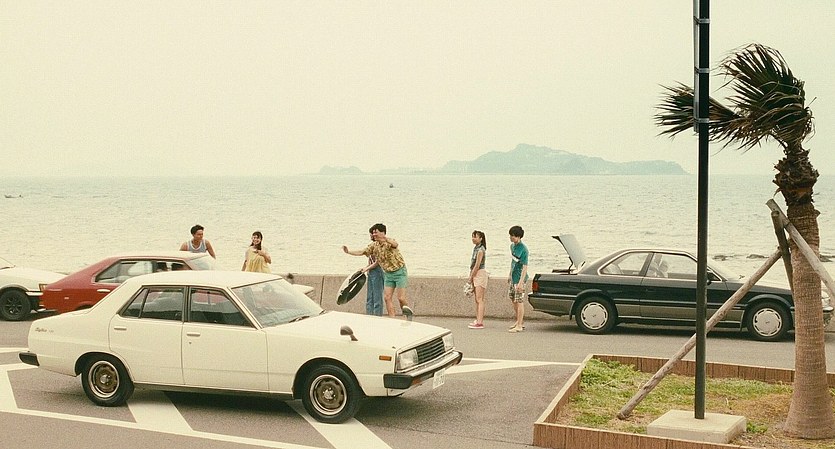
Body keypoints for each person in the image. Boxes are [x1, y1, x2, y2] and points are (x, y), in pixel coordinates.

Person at [343, 223, 413, 320]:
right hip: (388, 274)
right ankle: (392, 319)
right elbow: (362, 252)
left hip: (399, 272)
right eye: (373, 233)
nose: (374, 234)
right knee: (387, 298)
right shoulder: (374, 245)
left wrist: (385, 239)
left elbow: (395, 244)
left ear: (382, 232)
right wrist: (348, 252)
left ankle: (407, 315)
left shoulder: (389, 242)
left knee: (401, 298)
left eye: (376, 232)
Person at [342, 227, 384, 316]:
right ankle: (369, 316)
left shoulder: (381, 246)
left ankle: (378, 317)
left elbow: (378, 263)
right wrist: (348, 252)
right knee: (369, 298)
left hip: (378, 273)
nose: (371, 235)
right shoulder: (372, 246)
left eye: (373, 233)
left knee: (377, 298)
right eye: (371, 233)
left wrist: (367, 268)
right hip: (371, 272)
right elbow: (362, 252)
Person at [507, 225, 528, 333]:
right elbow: (513, 262)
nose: (511, 238)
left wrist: (520, 282)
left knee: (519, 301)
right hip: (513, 277)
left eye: (513, 236)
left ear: (519, 237)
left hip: (520, 278)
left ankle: (520, 325)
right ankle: (519, 321)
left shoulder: (523, 249)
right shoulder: (512, 246)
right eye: (510, 236)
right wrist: (509, 274)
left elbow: (525, 266)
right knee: (513, 298)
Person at [467, 230, 488, 329]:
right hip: (476, 273)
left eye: (475, 237)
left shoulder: (480, 250)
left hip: (480, 273)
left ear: (481, 238)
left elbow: (477, 265)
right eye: (473, 236)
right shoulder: (476, 248)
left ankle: (480, 322)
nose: (473, 238)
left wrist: (471, 277)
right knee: (477, 299)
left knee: (480, 299)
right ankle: (478, 319)